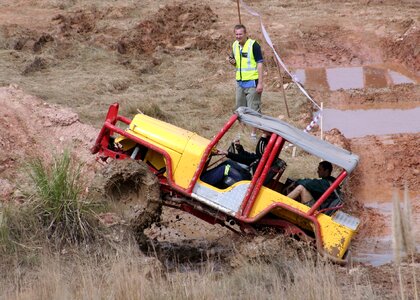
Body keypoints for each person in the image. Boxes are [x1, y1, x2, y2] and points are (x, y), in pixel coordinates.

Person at [229, 24, 264, 140]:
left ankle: (253, 134)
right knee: (240, 109)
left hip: (252, 82)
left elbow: (260, 64)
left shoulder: (254, 45)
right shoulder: (234, 45)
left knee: (253, 109)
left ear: (245, 34)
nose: (238, 36)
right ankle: (241, 132)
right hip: (240, 82)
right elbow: (236, 62)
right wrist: (232, 62)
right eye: (236, 34)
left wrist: (260, 83)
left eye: (240, 34)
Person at [201, 132, 272, 188]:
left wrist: (264, 135)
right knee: (228, 162)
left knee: (225, 168)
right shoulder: (262, 157)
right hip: (246, 174)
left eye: (265, 147)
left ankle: (204, 181)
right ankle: (207, 176)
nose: (264, 148)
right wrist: (239, 147)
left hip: (247, 182)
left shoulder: (265, 157)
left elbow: (258, 150)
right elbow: (247, 158)